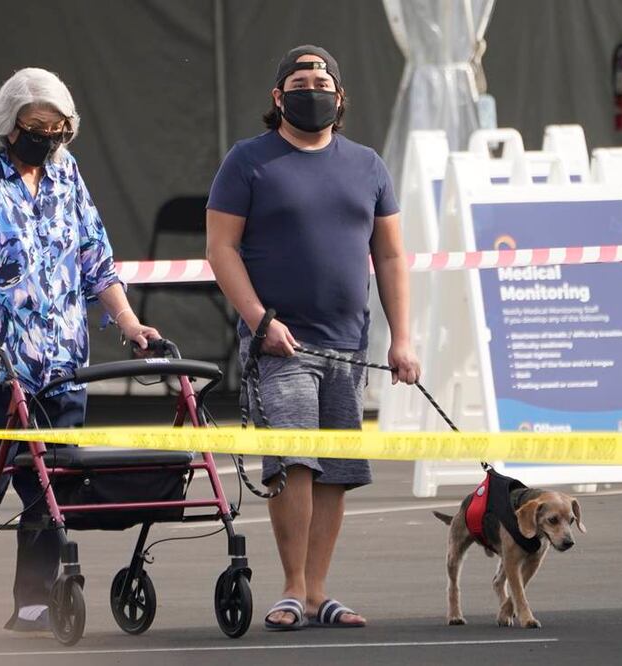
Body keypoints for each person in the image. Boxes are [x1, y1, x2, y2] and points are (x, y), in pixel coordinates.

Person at [0, 67, 160, 635]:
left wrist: (131, 323)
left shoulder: (66, 173)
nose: (48, 139)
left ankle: (37, 600)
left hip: (59, 356)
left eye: (60, 129)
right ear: (8, 121)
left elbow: (95, 257)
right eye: (36, 127)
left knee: (53, 481)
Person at [206, 45, 420, 630]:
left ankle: (320, 591)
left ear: (340, 97)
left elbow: (392, 254)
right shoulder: (248, 161)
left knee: (335, 469)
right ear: (278, 97)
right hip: (280, 347)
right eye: (300, 82)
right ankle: (293, 589)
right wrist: (259, 321)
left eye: (322, 81)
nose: (312, 89)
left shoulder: (369, 165)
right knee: (293, 463)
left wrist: (403, 339)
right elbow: (220, 249)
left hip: (347, 345)